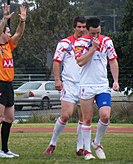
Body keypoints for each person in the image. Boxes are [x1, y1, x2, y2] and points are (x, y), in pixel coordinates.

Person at [74, 17, 119, 160]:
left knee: (105, 115)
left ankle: (97, 142)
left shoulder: (107, 41)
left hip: (102, 85)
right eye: (93, 33)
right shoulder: (80, 42)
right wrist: (93, 48)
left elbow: (112, 60)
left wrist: (116, 81)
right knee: (86, 118)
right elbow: (80, 62)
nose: (96, 36)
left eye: (98, 33)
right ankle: (87, 151)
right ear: (87, 30)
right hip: (86, 85)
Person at [0, 4, 27, 158]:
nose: (10, 34)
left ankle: (5, 149)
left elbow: (19, 34)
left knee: (10, 118)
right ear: (2, 32)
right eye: (7, 32)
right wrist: (4, 20)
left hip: (9, 85)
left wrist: (22, 21)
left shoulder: (9, 45)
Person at [44, 16, 87, 156]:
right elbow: (57, 62)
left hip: (85, 84)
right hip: (69, 84)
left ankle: (80, 148)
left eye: (83, 27)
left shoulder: (90, 43)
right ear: (74, 27)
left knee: (84, 117)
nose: (81, 29)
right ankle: (52, 144)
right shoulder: (64, 43)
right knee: (66, 115)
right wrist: (57, 80)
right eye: (78, 27)